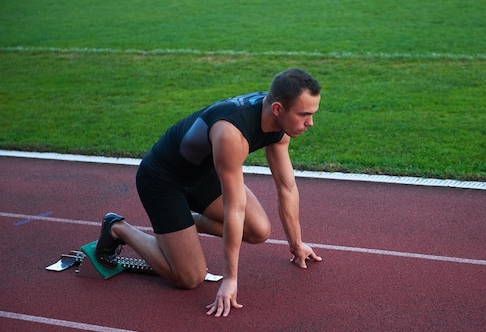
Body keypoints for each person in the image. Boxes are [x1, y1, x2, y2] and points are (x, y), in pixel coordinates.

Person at [94, 68, 323, 317]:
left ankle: (179, 229)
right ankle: (119, 228)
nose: (310, 123)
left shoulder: (280, 122)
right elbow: (234, 208)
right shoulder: (231, 133)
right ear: (278, 109)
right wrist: (230, 279)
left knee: (258, 230)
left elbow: (287, 187)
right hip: (163, 180)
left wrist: (296, 244)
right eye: (305, 115)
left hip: (203, 175)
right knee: (190, 278)